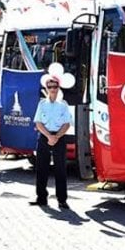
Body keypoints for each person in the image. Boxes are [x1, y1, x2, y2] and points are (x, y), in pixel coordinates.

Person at [30, 78, 72, 209]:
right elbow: (38, 123)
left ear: (58, 88)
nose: (53, 89)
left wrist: (57, 136)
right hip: (44, 136)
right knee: (41, 169)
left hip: (59, 137)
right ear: (47, 88)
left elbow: (67, 123)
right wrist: (49, 136)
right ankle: (41, 198)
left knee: (61, 170)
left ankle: (62, 200)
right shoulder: (42, 104)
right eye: (50, 87)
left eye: (55, 86)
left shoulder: (63, 105)